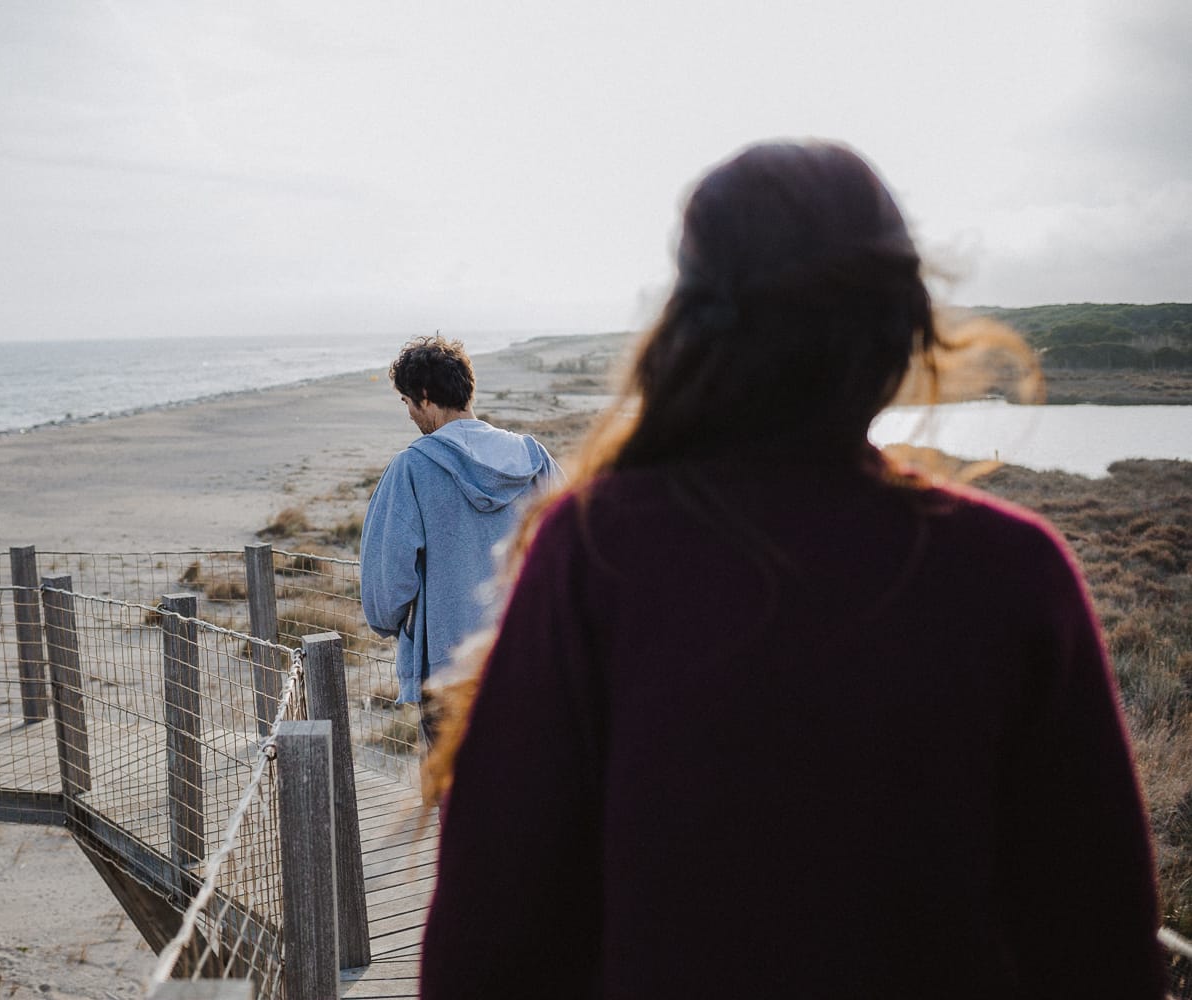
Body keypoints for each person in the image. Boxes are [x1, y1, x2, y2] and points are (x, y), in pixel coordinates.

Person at [420, 141, 1165, 997]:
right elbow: (1100, 946)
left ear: (690, 328)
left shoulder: (598, 552)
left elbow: (491, 935)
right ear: (900, 324)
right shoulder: (1010, 571)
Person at [360, 335, 562, 741]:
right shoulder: (533, 457)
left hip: (450, 673)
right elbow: (575, 552)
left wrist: (400, 624)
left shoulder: (411, 470)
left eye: (408, 403)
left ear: (425, 396)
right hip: (536, 662)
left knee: (460, 800)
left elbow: (385, 593)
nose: (411, 415)